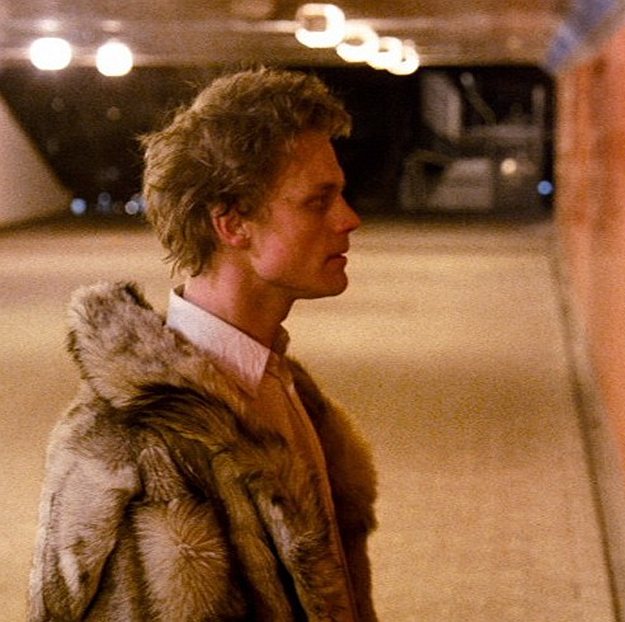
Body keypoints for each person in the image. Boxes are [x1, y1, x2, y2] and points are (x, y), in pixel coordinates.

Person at [28, 67, 378, 621]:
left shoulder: (285, 389)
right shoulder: (128, 448)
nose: (349, 219)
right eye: (318, 201)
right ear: (232, 224)